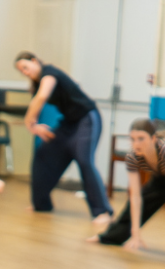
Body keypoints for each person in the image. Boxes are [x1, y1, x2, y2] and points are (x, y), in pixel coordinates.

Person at [14, 52, 113, 228]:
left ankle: (103, 212)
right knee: (44, 154)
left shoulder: (49, 73)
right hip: (69, 124)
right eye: (21, 71)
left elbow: (42, 98)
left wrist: (30, 122)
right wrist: (35, 127)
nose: (25, 72)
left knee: (84, 160)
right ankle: (41, 204)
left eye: (25, 67)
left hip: (87, 119)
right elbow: (38, 99)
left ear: (35, 61)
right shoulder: (37, 84)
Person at [90, 118, 165, 263]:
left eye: (141, 139)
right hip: (163, 173)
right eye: (132, 139)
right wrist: (135, 233)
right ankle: (111, 236)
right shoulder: (132, 157)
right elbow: (136, 197)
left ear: (153, 139)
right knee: (145, 198)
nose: (136, 144)